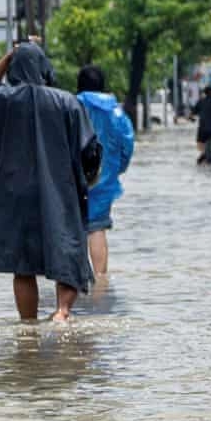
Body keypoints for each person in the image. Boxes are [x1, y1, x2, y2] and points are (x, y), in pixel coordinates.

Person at [0, 42, 99, 322]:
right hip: (59, 192)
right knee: (68, 252)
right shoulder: (67, 102)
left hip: (12, 195)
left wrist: (8, 56)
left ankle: (28, 326)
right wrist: (87, 180)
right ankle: (62, 312)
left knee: (23, 265)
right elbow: (90, 150)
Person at [76, 65, 135, 276]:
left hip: (71, 177)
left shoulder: (72, 106)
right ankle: (101, 281)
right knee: (97, 227)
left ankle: (72, 279)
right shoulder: (116, 112)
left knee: (71, 227)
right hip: (104, 178)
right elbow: (127, 144)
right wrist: (118, 169)